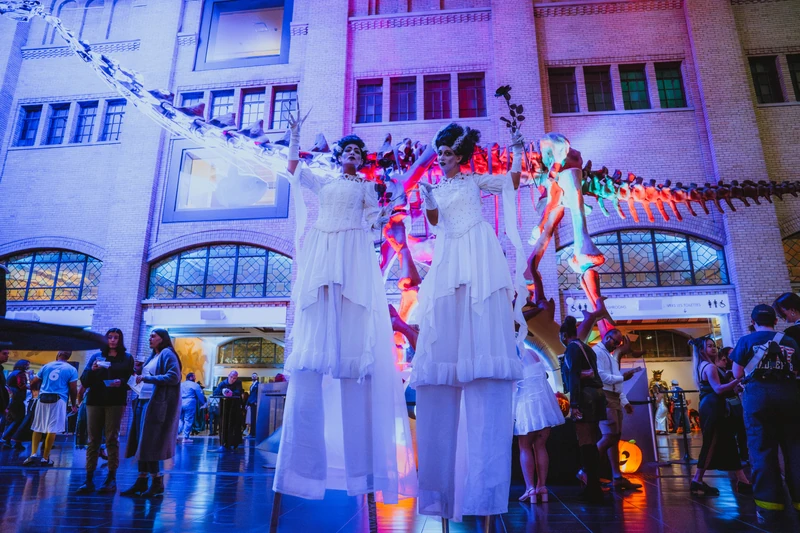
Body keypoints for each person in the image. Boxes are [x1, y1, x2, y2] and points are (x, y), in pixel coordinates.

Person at [273, 111, 415, 505]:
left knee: (351, 298)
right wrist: (295, 135)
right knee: (320, 294)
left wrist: (389, 211)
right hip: (325, 242)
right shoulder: (327, 182)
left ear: (361, 157)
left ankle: (351, 351)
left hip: (351, 245)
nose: (352, 154)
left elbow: (375, 218)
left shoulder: (367, 188)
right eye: (347, 150)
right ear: (339, 156)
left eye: (357, 150)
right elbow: (294, 170)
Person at [409, 122, 524, 520]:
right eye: (438, 153)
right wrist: (427, 199)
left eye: (445, 153)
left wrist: (518, 148)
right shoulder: (438, 187)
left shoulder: (476, 181)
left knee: (480, 300)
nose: (439, 158)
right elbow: (437, 223)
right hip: (450, 249)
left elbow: (511, 181)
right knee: (447, 304)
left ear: (459, 156)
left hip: (476, 244)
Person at [731, 304, 799, 524]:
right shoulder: (789, 341)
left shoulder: (745, 341)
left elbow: (737, 373)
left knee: (761, 451)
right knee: (795, 451)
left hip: (758, 398)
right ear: (775, 321)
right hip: (789, 397)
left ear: (752, 322)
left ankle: (769, 508)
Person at [121, 329, 182, 498]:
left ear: (162, 339)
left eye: (153, 336)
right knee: (142, 442)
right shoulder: (153, 355)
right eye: (150, 335)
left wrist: (147, 378)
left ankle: (157, 481)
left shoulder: (168, 354)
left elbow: (174, 377)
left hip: (155, 404)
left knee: (150, 443)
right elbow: (149, 376)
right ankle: (142, 480)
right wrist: (140, 372)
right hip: (143, 401)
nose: (150, 338)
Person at [689, 336, 751, 496]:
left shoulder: (702, 366)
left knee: (726, 441)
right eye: (709, 346)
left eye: (714, 345)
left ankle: (742, 480)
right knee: (712, 443)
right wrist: (737, 379)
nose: (714, 348)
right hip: (714, 408)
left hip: (712, 406)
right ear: (702, 350)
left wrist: (733, 387)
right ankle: (697, 479)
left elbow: (717, 389)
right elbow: (718, 389)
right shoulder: (709, 367)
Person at [76, 328, 135, 494]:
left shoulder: (126, 358)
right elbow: (85, 380)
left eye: (116, 337)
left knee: (111, 438)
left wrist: (121, 382)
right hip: (95, 400)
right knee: (93, 439)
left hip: (115, 401)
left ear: (120, 340)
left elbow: (131, 381)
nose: (113, 340)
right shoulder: (96, 357)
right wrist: (92, 370)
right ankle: (88, 478)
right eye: (110, 337)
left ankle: (111, 478)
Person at [561, 315, 607, 503]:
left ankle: (593, 488)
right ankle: (593, 484)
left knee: (585, 441)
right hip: (597, 394)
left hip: (585, 397)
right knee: (592, 439)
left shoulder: (571, 348)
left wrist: (574, 404)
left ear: (564, 335)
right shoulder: (587, 347)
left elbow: (573, 376)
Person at [594, 329, 643, 491]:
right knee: (610, 435)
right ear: (607, 338)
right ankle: (587, 469)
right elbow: (600, 376)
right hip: (605, 397)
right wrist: (623, 377)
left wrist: (624, 401)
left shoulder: (610, 355)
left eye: (619, 343)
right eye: (616, 341)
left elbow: (615, 383)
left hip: (614, 397)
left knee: (615, 437)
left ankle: (617, 477)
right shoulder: (597, 352)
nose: (617, 345)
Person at [514, 348, 564, 504]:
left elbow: (513, 385)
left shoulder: (512, 353)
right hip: (544, 405)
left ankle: (530, 489)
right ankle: (542, 486)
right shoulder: (533, 353)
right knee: (541, 446)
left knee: (525, 447)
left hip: (526, 404)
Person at [22, 351, 78, 467]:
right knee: (52, 429)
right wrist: (73, 404)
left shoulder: (47, 366)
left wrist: (34, 391)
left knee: (37, 427)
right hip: (58, 400)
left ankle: (33, 455)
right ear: (69, 356)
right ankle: (45, 458)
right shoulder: (71, 369)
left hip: (42, 398)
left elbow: (34, 382)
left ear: (58, 354)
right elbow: (73, 389)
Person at [720, 347, 748, 464]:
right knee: (736, 430)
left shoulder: (734, 368)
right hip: (730, 402)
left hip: (736, 401)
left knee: (741, 430)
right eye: (730, 354)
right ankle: (738, 457)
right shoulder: (725, 371)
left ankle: (743, 455)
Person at [1, 359, 30, 449]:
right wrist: (32, 385)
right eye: (27, 365)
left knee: (10, 420)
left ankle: (7, 441)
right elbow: (21, 385)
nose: (28, 367)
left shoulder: (13, 373)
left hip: (11, 399)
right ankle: (7, 437)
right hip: (17, 399)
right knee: (19, 419)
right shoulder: (20, 374)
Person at [213, 371, 244, 452]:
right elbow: (215, 392)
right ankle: (223, 443)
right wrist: (223, 391)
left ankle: (233, 443)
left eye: (235, 378)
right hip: (224, 407)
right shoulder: (222, 383)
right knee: (224, 424)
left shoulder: (238, 382)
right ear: (228, 376)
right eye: (231, 377)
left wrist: (231, 393)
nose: (233, 379)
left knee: (234, 425)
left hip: (234, 407)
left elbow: (238, 391)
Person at [178, 372, 205, 444]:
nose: (195, 378)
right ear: (190, 378)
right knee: (188, 420)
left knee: (180, 420)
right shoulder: (195, 385)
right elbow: (200, 395)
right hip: (190, 402)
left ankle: (175, 435)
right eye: (194, 377)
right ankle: (185, 437)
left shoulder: (181, 384)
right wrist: (204, 403)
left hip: (180, 402)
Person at [246, 372, 259, 437]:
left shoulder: (258, 384)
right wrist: (247, 403)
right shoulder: (251, 385)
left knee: (253, 418)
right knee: (251, 418)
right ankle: (251, 433)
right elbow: (250, 395)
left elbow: (258, 393)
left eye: (255, 376)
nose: (253, 377)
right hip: (251, 402)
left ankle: (253, 433)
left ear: (257, 377)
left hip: (254, 403)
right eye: (252, 376)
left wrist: (256, 401)